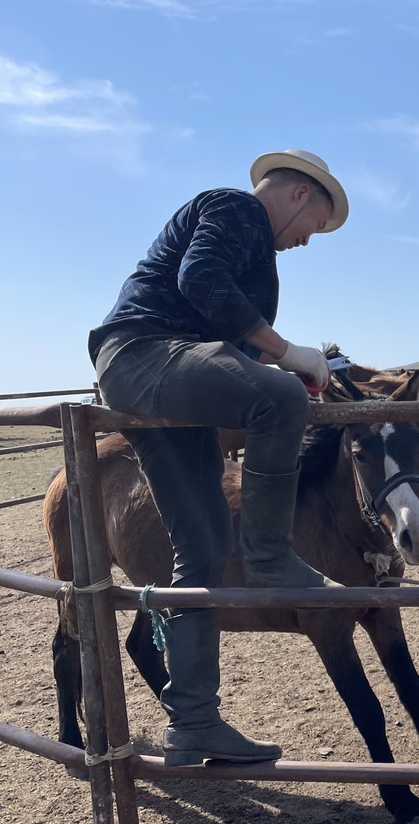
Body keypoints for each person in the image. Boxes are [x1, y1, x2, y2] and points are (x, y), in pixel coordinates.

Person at [88, 149, 349, 768]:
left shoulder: (252, 242)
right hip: (146, 353)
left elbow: (219, 330)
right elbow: (199, 280)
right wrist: (286, 357)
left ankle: (194, 724)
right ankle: (267, 557)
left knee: (200, 551)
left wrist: (264, 369)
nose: (308, 241)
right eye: (316, 223)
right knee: (281, 394)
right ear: (298, 196)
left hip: (158, 377)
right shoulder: (236, 208)